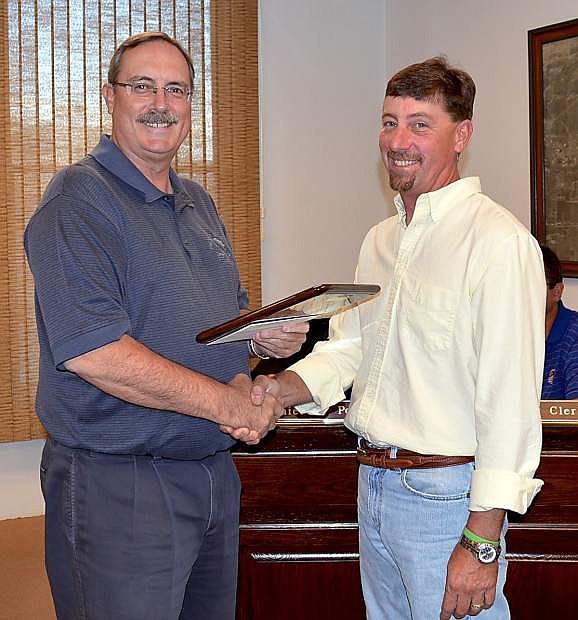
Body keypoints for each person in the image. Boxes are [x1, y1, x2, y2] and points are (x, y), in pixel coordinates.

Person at [243, 57, 546, 619]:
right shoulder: (379, 241)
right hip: (373, 485)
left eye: (420, 123)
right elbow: (351, 351)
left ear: (463, 135)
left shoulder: (498, 243)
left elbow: (510, 404)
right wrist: (272, 392)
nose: (398, 140)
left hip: (448, 496)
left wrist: (482, 540)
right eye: (389, 122)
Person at [24, 32, 307, 620]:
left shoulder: (198, 202)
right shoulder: (77, 201)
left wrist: (261, 338)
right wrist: (228, 407)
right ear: (109, 97)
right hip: (119, 484)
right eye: (142, 86)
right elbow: (96, 353)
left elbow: (220, 324)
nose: (161, 102)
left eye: (175, 88)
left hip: (208, 472)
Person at [541, 245, 578, 399]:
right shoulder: (507, 333)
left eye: (533, 286)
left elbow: (574, 413)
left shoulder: (573, 333)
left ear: (556, 292)